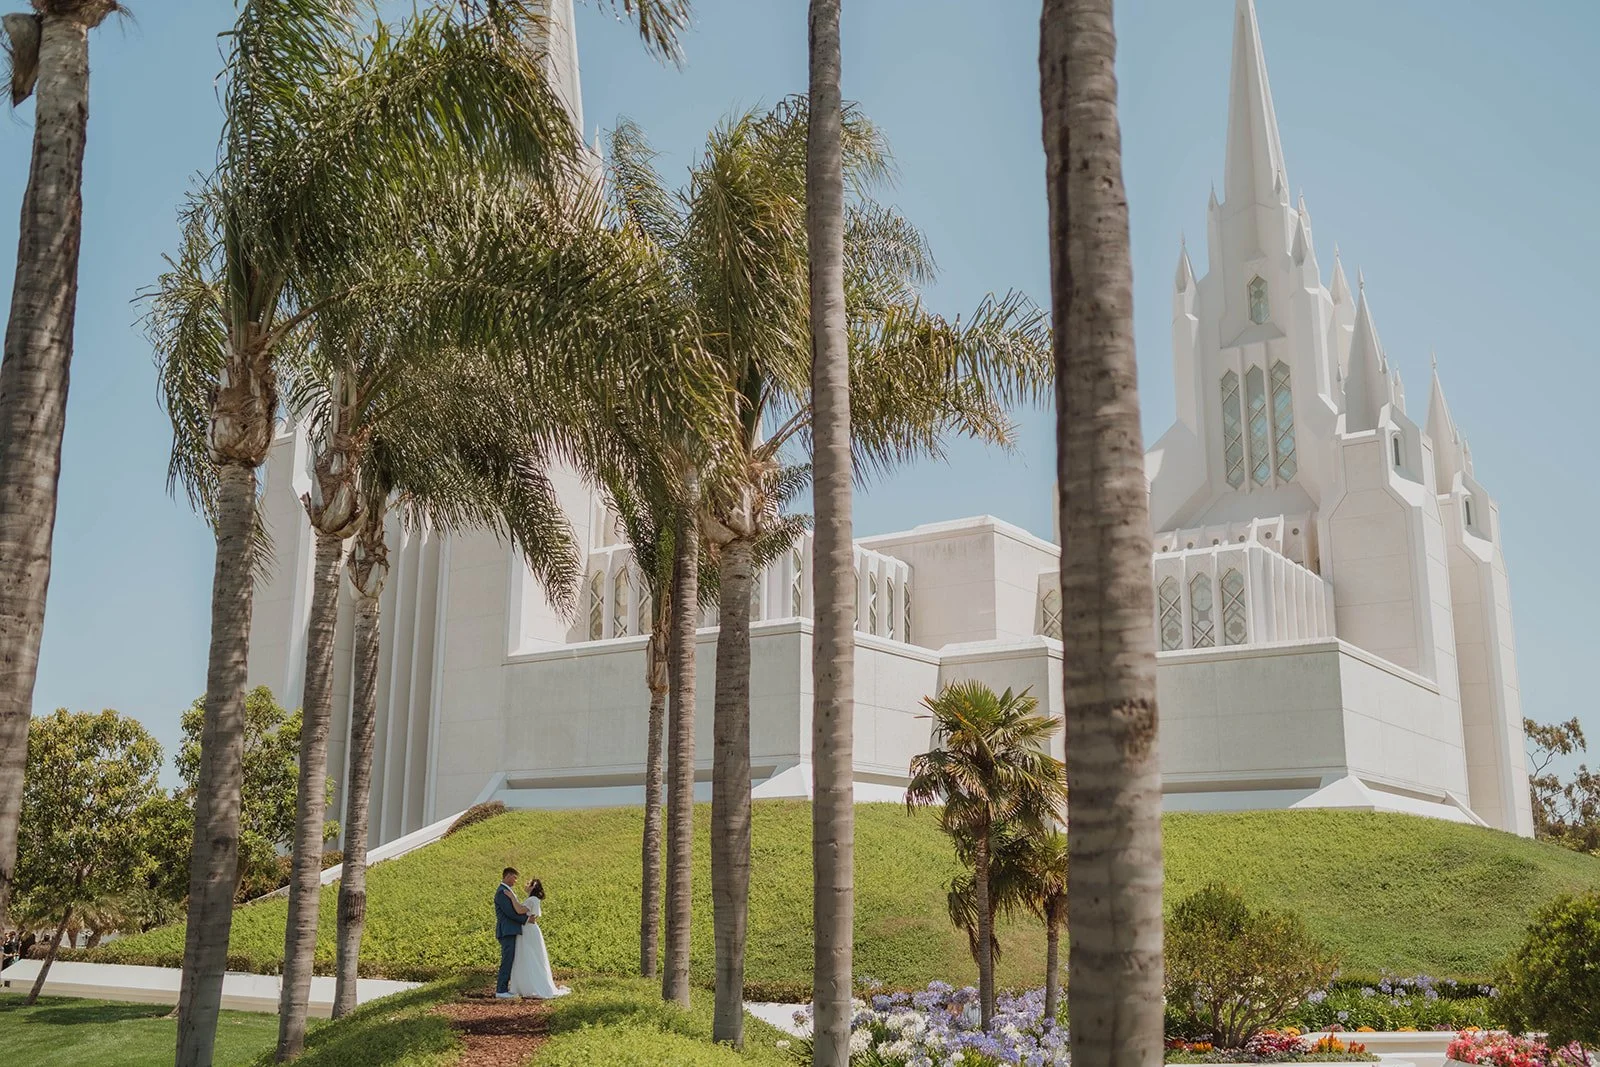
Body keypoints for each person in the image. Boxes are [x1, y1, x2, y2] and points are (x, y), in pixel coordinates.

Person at [508, 878, 569, 999]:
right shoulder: (533, 899)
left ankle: (530, 985)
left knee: (529, 955)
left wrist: (512, 897)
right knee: (530, 955)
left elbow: (519, 910)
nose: (525, 885)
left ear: (533, 887)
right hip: (529, 929)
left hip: (528, 930)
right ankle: (528, 984)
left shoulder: (532, 899)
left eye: (528, 883)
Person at [494, 866, 529, 999]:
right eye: (514, 878)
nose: (515, 881)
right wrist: (526, 919)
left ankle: (504, 988)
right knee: (507, 959)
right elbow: (510, 913)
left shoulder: (506, 891)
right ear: (507, 876)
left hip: (510, 930)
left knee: (510, 959)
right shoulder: (502, 892)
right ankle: (501, 990)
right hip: (507, 931)